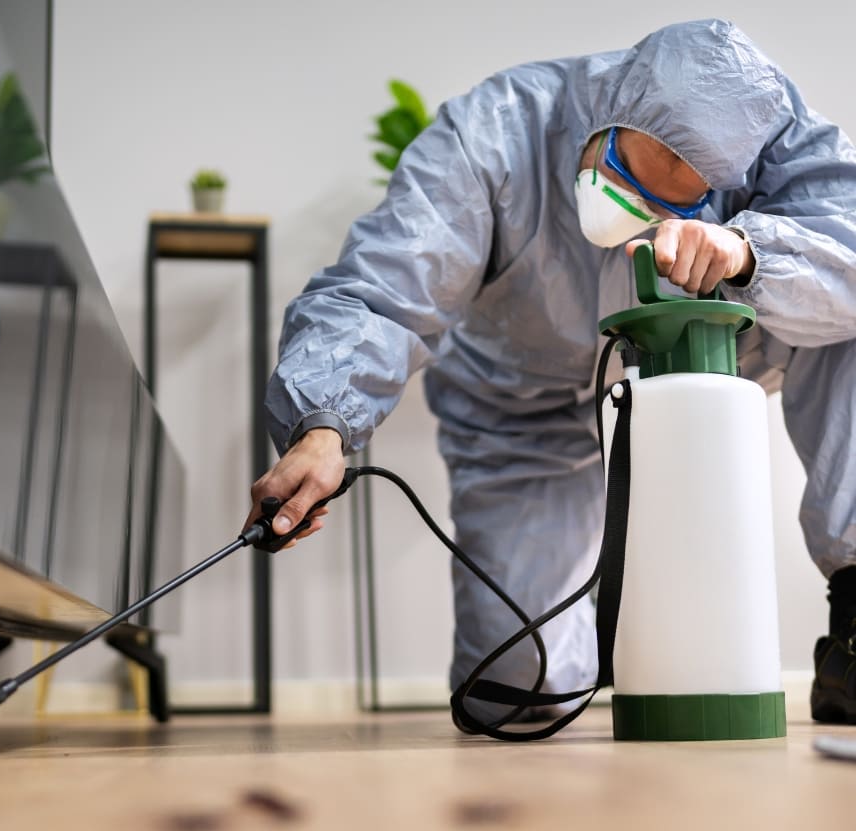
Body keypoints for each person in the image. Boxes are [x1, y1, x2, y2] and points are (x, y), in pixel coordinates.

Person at [245, 18, 856, 726]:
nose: (633, 213)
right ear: (606, 109)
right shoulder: (493, 133)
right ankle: (577, 614)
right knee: (518, 691)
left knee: (842, 310)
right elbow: (385, 287)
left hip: (688, 385)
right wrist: (322, 426)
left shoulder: (774, 132)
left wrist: (749, 252)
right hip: (521, 410)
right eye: (624, 176)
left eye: (671, 203)